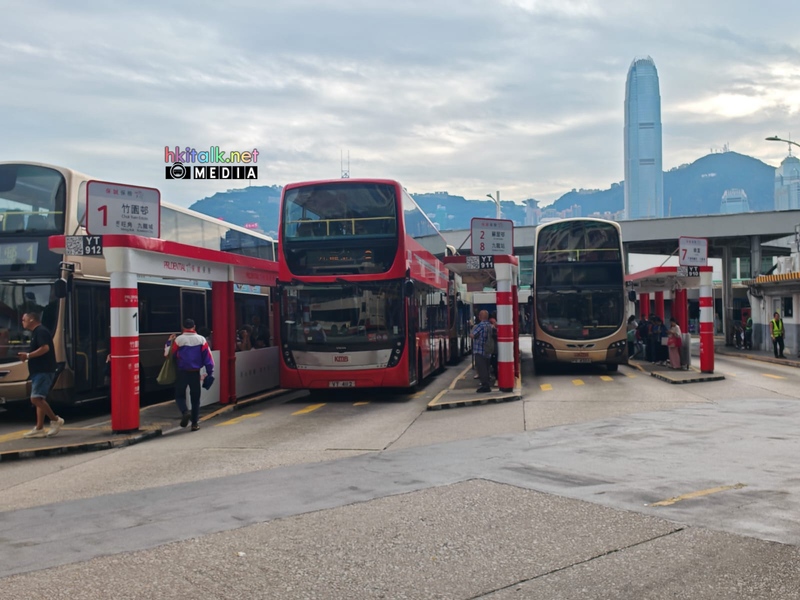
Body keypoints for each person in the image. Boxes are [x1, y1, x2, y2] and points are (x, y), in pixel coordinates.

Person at [19, 312, 64, 438]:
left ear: (32, 319)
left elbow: (45, 348)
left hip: (43, 371)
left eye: (24, 319)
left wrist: (28, 356)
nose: (22, 321)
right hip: (38, 371)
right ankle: (39, 428)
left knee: (35, 399)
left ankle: (55, 420)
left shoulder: (41, 331)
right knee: (40, 399)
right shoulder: (36, 332)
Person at [166, 319, 214, 431]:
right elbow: (209, 359)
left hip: (182, 372)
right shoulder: (201, 339)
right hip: (195, 373)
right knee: (195, 399)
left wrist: (169, 342)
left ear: (183, 327)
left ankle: (185, 412)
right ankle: (195, 424)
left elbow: (168, 354)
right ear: (194, 327)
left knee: (179, 395)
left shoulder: (179, 340)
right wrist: (209, 372)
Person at [470, 310, 493, 393]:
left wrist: (472, 329)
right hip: (487, 350)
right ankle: (487, 384)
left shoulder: (480, 325)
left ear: (480, 316)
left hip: (479, 350)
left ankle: (485, 386)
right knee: (486, 368)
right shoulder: (489, 325)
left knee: (481, 368)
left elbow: (472, 335)